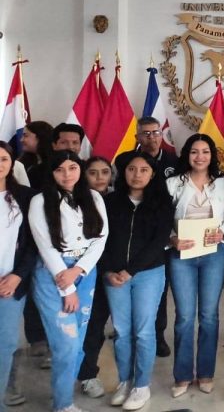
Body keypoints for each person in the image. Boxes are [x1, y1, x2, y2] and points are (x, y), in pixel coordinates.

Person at [28, 150, 107, 412]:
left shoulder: (93, 196)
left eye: (72, 168)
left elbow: (100, 239)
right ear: (51, 173)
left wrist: (80, 270)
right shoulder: (40, 201)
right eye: (60, 169)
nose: (67, 174)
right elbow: (46, 247)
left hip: (85, 271)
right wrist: (68, 286)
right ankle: (63, 404)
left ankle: (63, 395)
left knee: (78, 341)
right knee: (66, 343)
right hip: (54, 274)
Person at [100, 152, 174, 410]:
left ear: (152, 174)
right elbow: (100, 239)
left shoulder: (162, 203)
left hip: (148, 274)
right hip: (114, 275)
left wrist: (130, 271)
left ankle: (141, 386)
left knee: (143, 331)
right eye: (132, 169)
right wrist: (108, 271)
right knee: (121, 331)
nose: (137, 174)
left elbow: (159, 242)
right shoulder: (109, 202)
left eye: (144, 170)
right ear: (124, 172)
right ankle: (124, 381)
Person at [166, 134, 224, 397]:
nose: (200, 157)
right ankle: (183, 376)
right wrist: (172, 239)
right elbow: (161, 219)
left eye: (205, 152)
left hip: (213, 253)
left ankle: (206, 373)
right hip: (181, 255)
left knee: (208, 315)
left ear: (212, 155)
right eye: (194, 152)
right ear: (187, 154)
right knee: (184, 316)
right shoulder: (173, 183)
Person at [114, 117, 178, 359]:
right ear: (137, 137)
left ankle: (157, 335)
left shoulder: (174, 161)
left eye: (156, 132)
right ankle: (128, 334)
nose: (152, 137)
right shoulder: (127, 161)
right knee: (126, 290)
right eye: (146, 133)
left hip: (164, 236)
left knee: (158, 292)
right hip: (132, 236)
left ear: (162, 134)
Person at [0, 142, 38, 411]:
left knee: (5, 344)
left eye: (3, 158)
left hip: (10, 283)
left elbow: (33, 243)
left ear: (12, 163)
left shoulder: (25, 197)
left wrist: (18, 275)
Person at [75, 155, 114, 399]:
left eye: (105, 172)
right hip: (85, 272)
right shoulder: (76, 201)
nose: (100, 177)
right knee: (91, 326)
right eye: (93, 172)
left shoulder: (118, 199)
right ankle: (87, 375)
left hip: (114, 272)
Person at [20, 120, 53, 187]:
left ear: (40, 137)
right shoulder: (23, 162)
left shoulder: (54, 164)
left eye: (25, 136)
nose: (21, 140)